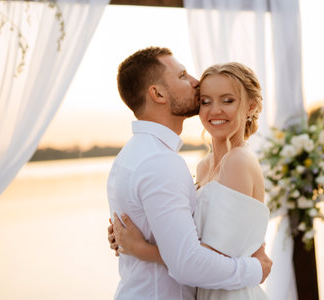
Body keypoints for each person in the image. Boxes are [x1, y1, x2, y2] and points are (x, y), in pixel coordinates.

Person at [107, 46, 272, 300]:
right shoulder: (185, 164)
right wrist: (134, 239)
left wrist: (141, 248)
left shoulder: (238, 161)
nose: (195, 83)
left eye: (227, 100)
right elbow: (188, 253)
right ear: (158, 93)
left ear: (250, 107)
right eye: (207, 101)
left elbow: (204, 255)